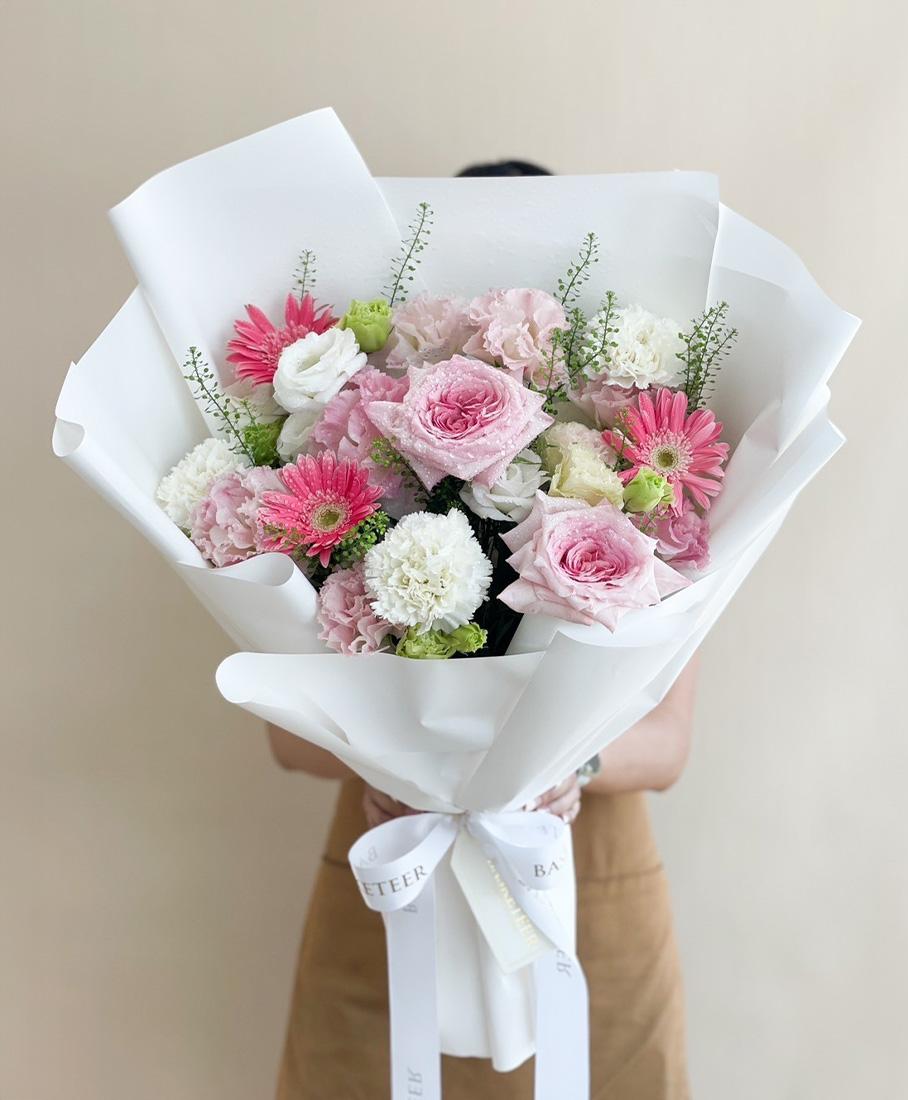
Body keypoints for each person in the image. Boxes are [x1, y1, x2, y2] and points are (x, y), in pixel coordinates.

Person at [269, 159, 695, 1100]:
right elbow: (285, 738)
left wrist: (556, 771)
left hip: (585, 871)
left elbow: (667, 744)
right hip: (393, 868)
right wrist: (413, 771)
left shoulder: (635, 486)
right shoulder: (369, 471)